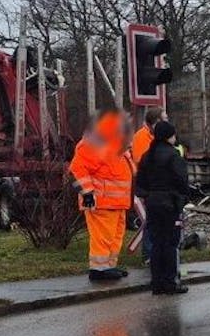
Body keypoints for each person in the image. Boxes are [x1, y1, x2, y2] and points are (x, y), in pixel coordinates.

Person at [69, 109, 134, 281]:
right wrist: (88, 192)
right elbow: (77, 169)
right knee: (103, 237)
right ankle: (99, 270)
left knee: (114, 236)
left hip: (116, 202)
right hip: (101, 201)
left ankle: (108, 267)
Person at [134, 120, 193, 295]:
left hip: (152, 203)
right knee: (171, 244)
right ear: (169, 136)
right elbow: (182, 181)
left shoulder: (147, 156)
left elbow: (140, 183)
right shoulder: (173, 156)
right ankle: (171, 282)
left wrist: (149, 195)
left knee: (157, 243)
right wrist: (184, 198)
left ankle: (157, 282)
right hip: (170, 204)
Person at [131, 108, 164, 263]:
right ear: (156, 120)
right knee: (150, 221)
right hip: (149, 185)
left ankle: (155, 253)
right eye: (164, 118)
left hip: (157, 185)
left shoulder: (154, 135)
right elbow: (141, 160)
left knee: (156, 221)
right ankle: (149, 255)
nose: (167, 120)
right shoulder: (141, 136)